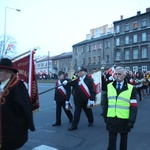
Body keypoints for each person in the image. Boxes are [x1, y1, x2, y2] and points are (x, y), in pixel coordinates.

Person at [0, 58, 35, 150]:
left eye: (1, 71)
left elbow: (25, 107)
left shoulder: (17, 85)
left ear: (9, 73)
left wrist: (29, 124)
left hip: (10, 128)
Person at [103, 66, 138, 150]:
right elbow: (106, 104)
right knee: (111, 142)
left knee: (123, 141)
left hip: (124, 120)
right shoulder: (109, 86)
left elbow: (134, 107)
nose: (117, 76)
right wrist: (105, 117)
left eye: (120, 74)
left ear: (124, 75)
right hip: (111, 118)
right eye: (116, 74)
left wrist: (131, 121)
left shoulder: (131, 88)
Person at [68, 67, 96, 131]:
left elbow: (92, 90)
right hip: (78, 100)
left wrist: (92, 99)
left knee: (88, 112)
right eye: (79, 72)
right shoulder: (77, 79)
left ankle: (91, 121)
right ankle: (74, 125)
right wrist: (69, 79)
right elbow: (70, 83)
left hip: (86, 99)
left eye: (81, 71)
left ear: (85, 72)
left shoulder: (89, 80)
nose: (79, 73)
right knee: (76, 113)